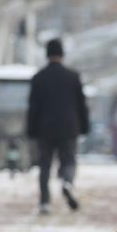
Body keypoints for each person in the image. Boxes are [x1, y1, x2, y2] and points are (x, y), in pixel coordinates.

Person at [26, 38, 89, 215]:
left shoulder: (38, 78)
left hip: (44, 129)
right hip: (69, 128)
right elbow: (81, 105)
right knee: (69, 160)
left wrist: (31, 130)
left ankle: (45, 202)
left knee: (44, 165)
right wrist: (84, 127)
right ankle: (67, 182)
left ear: (47, 54)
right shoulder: (73, 77)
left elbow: (33, 107)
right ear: (62, 54)